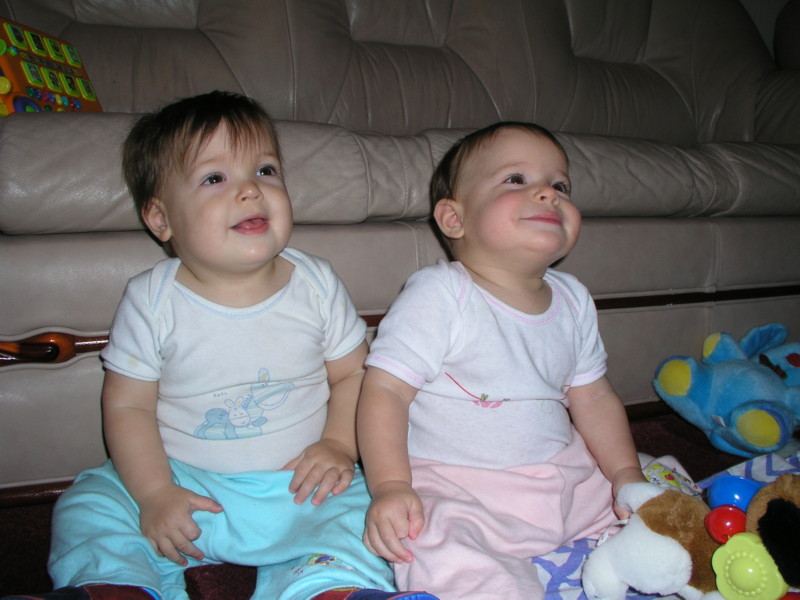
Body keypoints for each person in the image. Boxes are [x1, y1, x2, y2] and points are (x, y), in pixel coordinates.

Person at [5, 92, 436, 600]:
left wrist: (339, 446)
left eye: (266, 171)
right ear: (161, 219)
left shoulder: (316, 283)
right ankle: (113, 587)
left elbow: (352, 375)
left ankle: (328, 587)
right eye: (215, 178)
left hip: (300, 486)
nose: (251, 190)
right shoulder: (151, 299)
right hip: (184, 484)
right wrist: (154, 492)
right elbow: (128, 406)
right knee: (90, 504)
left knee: (366, 510)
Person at [357, 122, 647, 600]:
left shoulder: (573, 298)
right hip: (459, 486)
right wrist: (389, 485)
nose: (548, 194)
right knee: (434, 543)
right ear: (454, 219)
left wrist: (625, 475)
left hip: (562, 474)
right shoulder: (442, 293)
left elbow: (594, 398)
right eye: (516, 179)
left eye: (560, 185)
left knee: (656, 511)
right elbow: (385, 390)